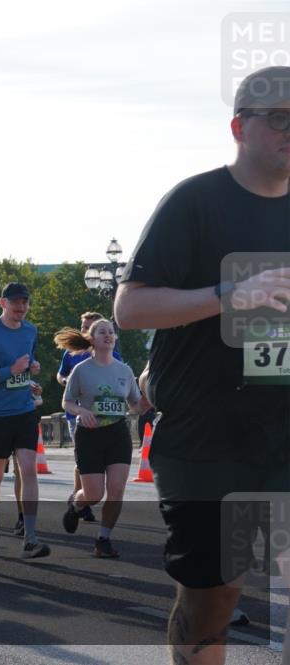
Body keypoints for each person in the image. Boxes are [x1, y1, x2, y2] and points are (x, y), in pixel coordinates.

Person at [114, 66, 290, 665]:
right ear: (240, 126)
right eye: (280, 117)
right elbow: (131, 307)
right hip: (210, 436)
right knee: (212, 604)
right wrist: (228, 295)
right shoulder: (197, 201)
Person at [56, 320, 141, 557]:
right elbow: (67, 402)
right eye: (102, 332)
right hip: (89, 436)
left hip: (117, 433)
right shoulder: (82, 369)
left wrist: (143, 404)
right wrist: (81, 411)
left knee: (116, 490)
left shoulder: (124, 370)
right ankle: (75, 505)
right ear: (91, 339)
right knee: (94, 494)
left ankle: (103, 539)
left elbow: (135, 403)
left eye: (111, 332)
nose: (108, 335)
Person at [0, 282, 49, 559]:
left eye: (25, 302)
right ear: (3, 303)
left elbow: (26, 363)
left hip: (23, 411)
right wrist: (12, 370)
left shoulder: (31, 330)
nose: (21, 307)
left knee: (29, 470)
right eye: (16, 302)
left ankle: (30, 537)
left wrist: (31, 372)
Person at [56, 311, 122, 524]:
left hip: (107, 421)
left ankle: (81, 500)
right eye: (83, 326)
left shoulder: (113, 356)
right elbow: (60, 375)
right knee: (83, 463)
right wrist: (67, 381)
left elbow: (121, 381)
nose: (84, 330)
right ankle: (80, 501)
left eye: (89, 327)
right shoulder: (73, 355)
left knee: (105, 473)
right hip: (78, 416)